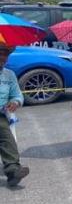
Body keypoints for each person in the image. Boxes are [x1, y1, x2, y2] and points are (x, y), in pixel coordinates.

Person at [0, 42, 29, 187]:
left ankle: (13, 172)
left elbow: (17, 95)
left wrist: (15, 102)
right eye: (0, 53)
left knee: (5, 134)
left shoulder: (9, 75)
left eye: (5, 54)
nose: (2, 57)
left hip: (0, 114)